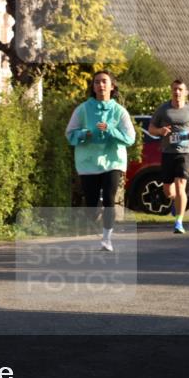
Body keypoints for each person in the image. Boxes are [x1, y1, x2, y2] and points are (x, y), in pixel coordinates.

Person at [66, 71, 136, 251]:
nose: (100, 85)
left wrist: (111, 130)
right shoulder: (83, 109)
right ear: (93, 86)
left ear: (112, 86)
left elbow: (130, 138)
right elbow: (70, 134)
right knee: (91, 205)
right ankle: (95, 213)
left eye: (104, 82)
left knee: (110, 199)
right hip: (89, 162)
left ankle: (107, 240)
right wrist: (84, 134)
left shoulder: (119, 112)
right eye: (97, 82)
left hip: (113, 161)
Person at [149, 80, 189, 234]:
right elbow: (151, 128)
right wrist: (160, 131)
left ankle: (179, 222)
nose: (177, 92)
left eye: (180, 89)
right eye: (175, 89)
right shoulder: (163, 109)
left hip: (185, 152)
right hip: (168, 152)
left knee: (181, 184)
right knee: (168, 190)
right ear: (171, 91)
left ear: (185, 92)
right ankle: (175, 201)